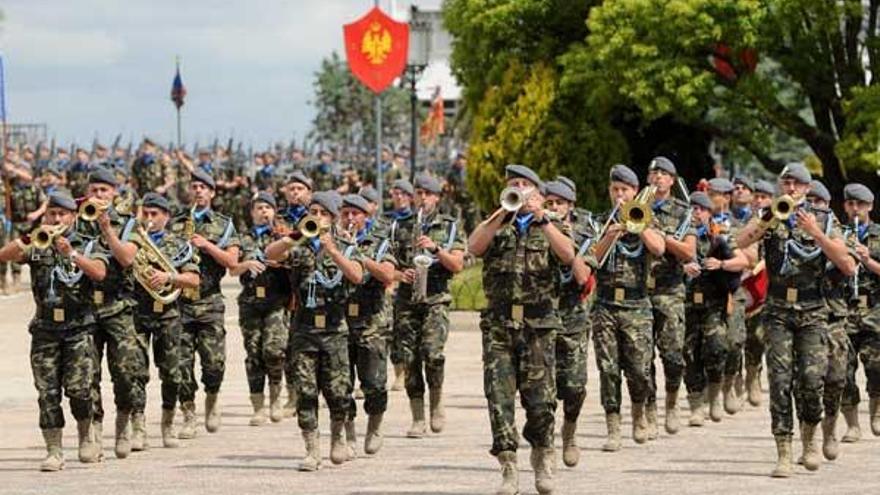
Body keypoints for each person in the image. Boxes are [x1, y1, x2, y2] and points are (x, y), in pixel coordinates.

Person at [736, 162, 856, 477]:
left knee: (812, 379)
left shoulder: (827, 221)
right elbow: (741, 241)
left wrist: (816, 233)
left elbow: (847, 265)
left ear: (805, 188)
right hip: (777, 311)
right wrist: (767, 218)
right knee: (779, 381)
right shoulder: (769, 217)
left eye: (796, 184)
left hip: (813, 311)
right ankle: (784, 451)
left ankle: (810, 440)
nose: (790, 188)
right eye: (785, 183)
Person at [468, 164, 575, 495]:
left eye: (525, 185)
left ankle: (542, 453)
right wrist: (501, 213)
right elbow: (473, 246)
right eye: (513, 184)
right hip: (499, 324)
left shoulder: (554, 224)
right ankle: (508, 466)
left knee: (541, 402)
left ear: (539, 194)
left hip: (539, 325)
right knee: (498, 398)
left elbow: (569, 256)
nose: (518, 189)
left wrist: (543, 219)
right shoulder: (497, 223)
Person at [0, 191, 109, 471]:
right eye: (52, 214)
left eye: (62, 214)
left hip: (79, 328)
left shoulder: (86, 243)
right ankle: (54, 450)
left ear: (72, 216)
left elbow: (99, 273)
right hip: (45, 329)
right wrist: (29, 236)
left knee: (79, 389)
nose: (57, 219)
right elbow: (4, 255)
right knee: (47, 392)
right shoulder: (38, 242)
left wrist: (70, 253)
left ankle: (86, 435)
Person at [265, 191, 365, 471]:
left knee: (337, 392)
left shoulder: (345, 245)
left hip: (334, 330)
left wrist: (332, 249)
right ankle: (312, 450)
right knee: (306, 391)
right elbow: (270, 254)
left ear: (333, 218)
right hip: (304, 331)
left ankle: (337, 439)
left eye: (323, 213)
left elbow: (357, 275)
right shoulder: (300, 246)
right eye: (314, 212)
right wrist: (295, 236)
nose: (317, 218)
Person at [589, 164, 667, 452]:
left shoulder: (648, 219)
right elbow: (591, 258)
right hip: (606, 303)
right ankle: (613, 427)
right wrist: (611, 233)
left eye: (625, 190)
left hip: (636, 304)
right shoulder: (600, 222)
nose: (619, 195)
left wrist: (638, 224)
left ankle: (638, 413)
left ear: (635, 192)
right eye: (615, 190)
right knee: (608, 368)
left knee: (638, 368)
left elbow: (659, 249)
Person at [79, 167, 145, 459]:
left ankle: (123, 424)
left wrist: (106, 228)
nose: (98, 195)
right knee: (87, 376)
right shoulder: (75, 222)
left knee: (125, 373)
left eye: (104, 190)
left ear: (114, 193)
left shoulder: (128, 223)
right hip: (84, 310)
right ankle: (93, 433)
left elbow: (127, 258)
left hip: (118, 307)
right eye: (94, 190)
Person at [393, 174, 465, 438]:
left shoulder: (450, 226)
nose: (422, 198)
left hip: (435, 298)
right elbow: (388, 264)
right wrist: (401, 275)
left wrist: (435, 249)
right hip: (407, 299)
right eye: (418, 193)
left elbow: (457, 264)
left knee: (433, 353)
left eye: (427, 194)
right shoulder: (400, 226)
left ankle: (436, 401)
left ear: (437, 197)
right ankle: (417, 417)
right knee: (409, 358)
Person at [170, 168, 240, 438]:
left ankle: (211, 397)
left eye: (203, 187)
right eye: (194, 186)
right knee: (181, 364)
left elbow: (233, 262)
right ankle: (188, 414)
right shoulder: (176, 223)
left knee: (214, 363)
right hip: (180, 304)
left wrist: (206, 245)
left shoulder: (223, 224)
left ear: (212, 192)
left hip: (209, 302)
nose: (198, 191)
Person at [128, 193, 200, 448]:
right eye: (145, 213)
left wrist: (169, 278)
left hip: (168, 314)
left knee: (171, 373)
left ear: (166, 217)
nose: (149, 218)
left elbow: (193, 280)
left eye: (154, 214)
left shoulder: (178, 243)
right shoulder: (131, 242)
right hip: (136, 313)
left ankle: (168, 423)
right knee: (135, 371)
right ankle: (138, 427)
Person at [682, 191, 748, 425]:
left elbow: (742, 261)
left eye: (700, 209)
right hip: (687, 302)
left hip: (714, 302)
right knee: (689, 353)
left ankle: (717, 391)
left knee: (718, 346)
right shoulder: (680, 234)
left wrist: (721, 263)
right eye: (692, 209)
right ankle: (696, 406)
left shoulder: (720, 234)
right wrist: (684, 266)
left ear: (709, 213)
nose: (695, 213)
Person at [339, 194, 397, 456]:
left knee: (373, 383)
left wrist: (360, 256)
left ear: (365, 217)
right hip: (340, 321)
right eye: (346, 214)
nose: (351, 219)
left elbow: (386, 275)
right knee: (340, 383)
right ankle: (348, 431)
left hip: (372, 321)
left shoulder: (381, 242)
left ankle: (375, 424)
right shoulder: (333, 243)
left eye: (356, 214)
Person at [644, 157, 696, 438]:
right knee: (642, 358)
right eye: (653, 173)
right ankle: (650, 409)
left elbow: (688, 252)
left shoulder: (683, 211)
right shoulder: (636, 207)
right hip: (640, 292)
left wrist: (660, 237)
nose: (657, 178)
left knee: (673, 355)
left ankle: (672, 401)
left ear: (672, 181)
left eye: (663, 174)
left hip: (670, 289)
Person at [543, 179, 593, 467]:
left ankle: (570, 431)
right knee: (543, 390)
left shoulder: (584, 232)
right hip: (543, 318)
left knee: (574, 386)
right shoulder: (538, 230)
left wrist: (568, 240)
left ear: (570, 206)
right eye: (549, 203)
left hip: (573, 317)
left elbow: (583, 277)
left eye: (558, 204)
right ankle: (546, 445)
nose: (553, 208)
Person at [231, 192, 291, 426]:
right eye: (258, 208)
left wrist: (280, 259)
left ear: (274, 211)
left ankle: (276, 399)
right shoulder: (242, 238)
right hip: (250, 303)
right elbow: (232, 269)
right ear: (251, 212)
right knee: (254, 354)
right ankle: (258, 406)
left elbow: (293, 259)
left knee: (274, 350)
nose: (263, 211)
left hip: (276, 300)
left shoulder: (281, 235)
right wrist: (246, 264)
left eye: (267, 207)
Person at [806, 179, 850, 462]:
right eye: (808, 202)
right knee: (807, 380)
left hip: (832, 315)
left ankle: (830, 427)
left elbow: (849, 266)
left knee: (835, 378)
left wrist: (819, 236)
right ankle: (807, 440)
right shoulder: (789, 231)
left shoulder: (839, 233)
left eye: (818, 203)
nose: (812, 208)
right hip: (803, 313)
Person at [840, 183, 880, 443]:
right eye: (851, 204)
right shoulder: (837, 234)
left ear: (870, 207)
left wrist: (867, 260)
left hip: (874, 310)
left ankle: (876, 410)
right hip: (843, 309)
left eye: (860, 205)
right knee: (842, 370)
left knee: (876, 365)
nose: (855, 209)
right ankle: (852, 424)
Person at [385, 179, 417, 392]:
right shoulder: (387, 222)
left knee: (407, 330)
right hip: (388, 280)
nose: (399, 197)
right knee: (391, 330)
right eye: (396, 194)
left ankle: (407, 370)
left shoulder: (417, 222)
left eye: (404, 194)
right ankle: (397, 371)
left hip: (411, 280)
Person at [2, 156, 47, 294]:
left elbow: (45, 203)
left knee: (36, 252)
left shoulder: (34, 186)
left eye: (22, 170)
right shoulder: (11, 184)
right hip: (17, 223)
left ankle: (41, 280)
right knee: (15, 249)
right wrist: (7, 169)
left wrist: (37, 214)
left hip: (33, 225)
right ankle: (14, 280)